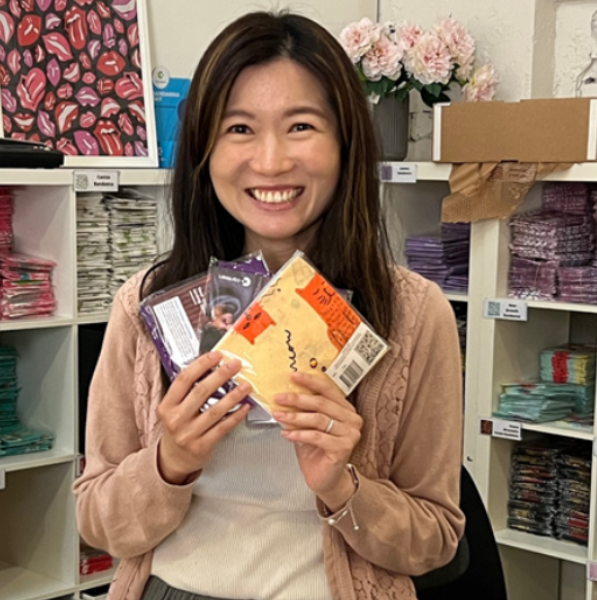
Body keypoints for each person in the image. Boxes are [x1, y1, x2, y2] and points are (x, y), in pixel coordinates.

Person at [73, 10, 465, 600]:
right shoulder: (145, 304)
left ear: (345, 142)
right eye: (239, 129)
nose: (272, 161)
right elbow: (96, 522)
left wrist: (343, 484)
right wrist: (170, 462)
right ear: (204, 150)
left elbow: (434, 540)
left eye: (302, 126)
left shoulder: (413, 313)